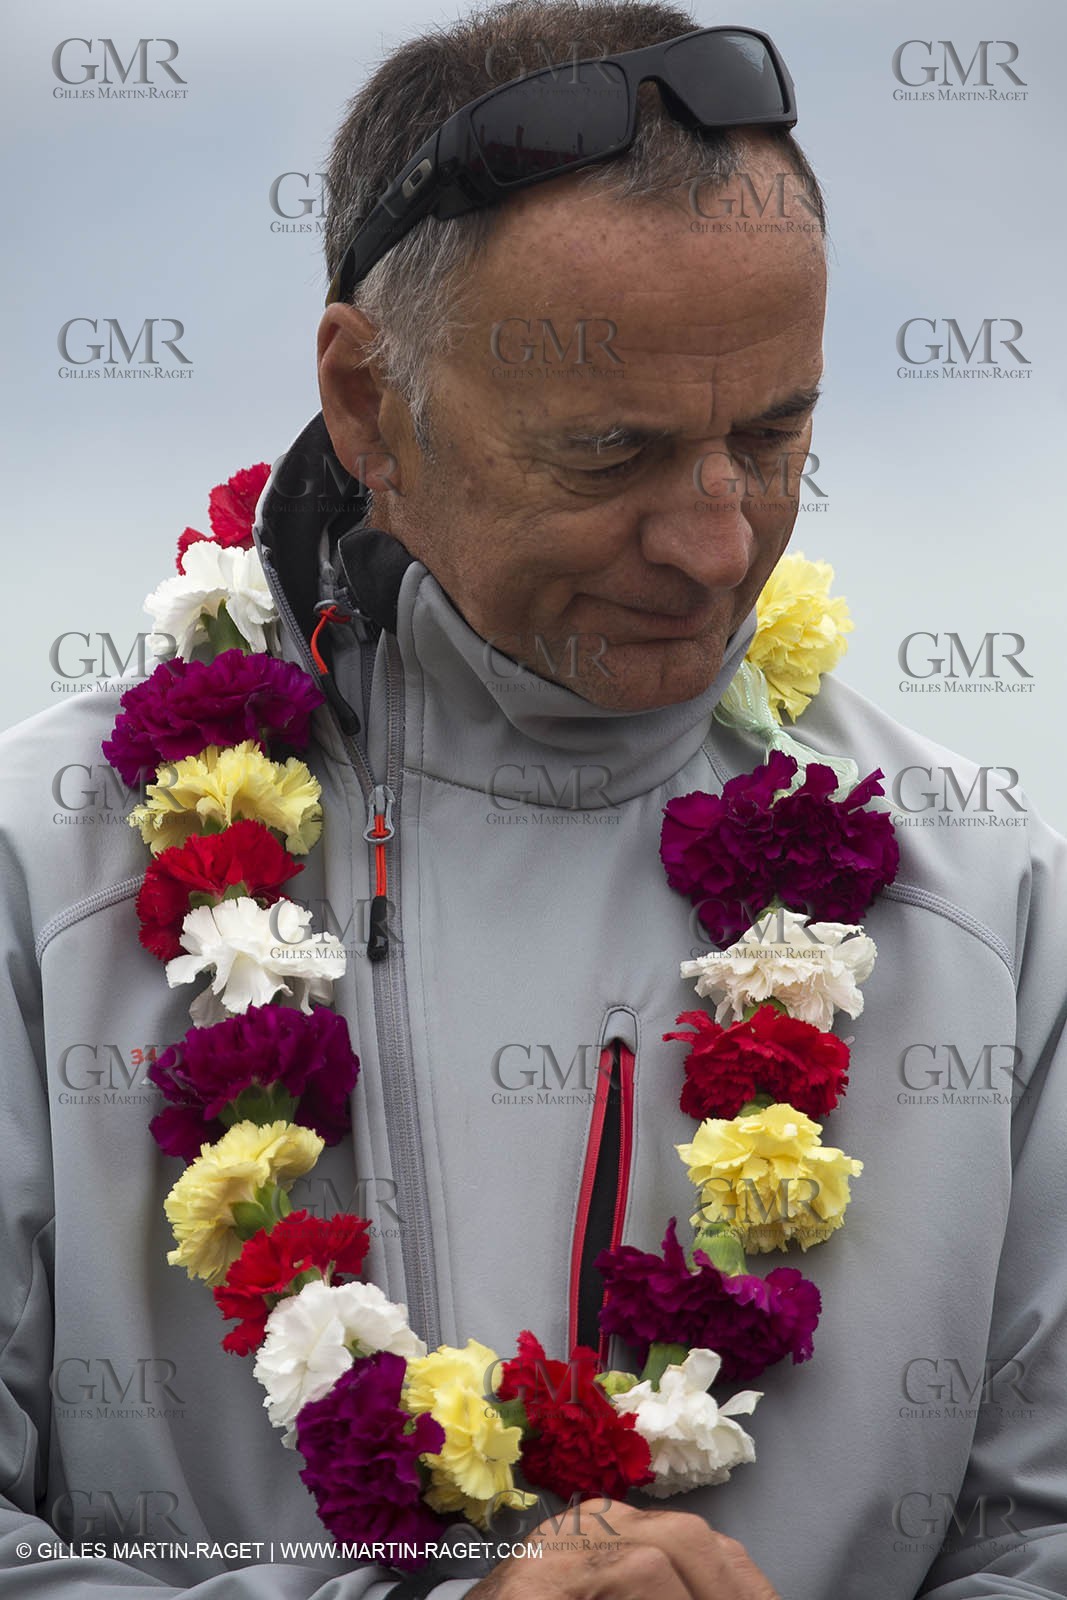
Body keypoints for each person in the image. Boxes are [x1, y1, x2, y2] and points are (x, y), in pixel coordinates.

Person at [1, 3, 1065, 1597]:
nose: (716, 543)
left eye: (774, 435)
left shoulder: (991, 897)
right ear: (369, 408)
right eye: (612, 454)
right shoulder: (41, 874)